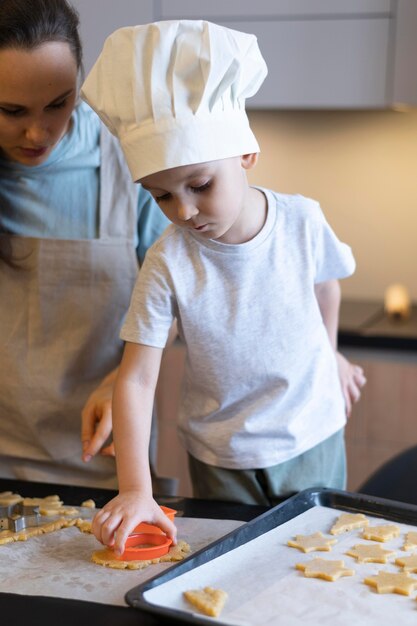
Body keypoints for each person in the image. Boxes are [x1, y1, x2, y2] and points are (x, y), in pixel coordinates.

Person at [81, 19, 367, 552]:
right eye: (161, 196)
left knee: (318, 556)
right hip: (219, 454)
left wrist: (330, 354)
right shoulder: (168, 261)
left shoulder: (303, 221)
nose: (184, 211)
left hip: (311, 434)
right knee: (236, 563)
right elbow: (137, 379)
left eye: (200, 185)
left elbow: (325, 288)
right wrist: (136, 488)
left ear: (246, 153)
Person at [0, 0, 170, 488]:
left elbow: (172, 298)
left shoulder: (129, 158)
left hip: (102, 458)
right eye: (12, 111)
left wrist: (126, 377)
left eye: (59, 103)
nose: (37, 133)